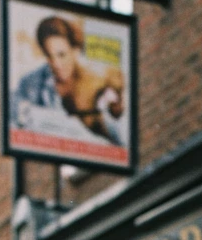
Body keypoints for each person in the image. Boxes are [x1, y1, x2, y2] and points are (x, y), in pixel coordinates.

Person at [12, 14, 125, 145]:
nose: (56, 64)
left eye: (62, 55)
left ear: (75, 51)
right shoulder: (31, 83)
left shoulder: (97, 85)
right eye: (49, 56)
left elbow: (120, 140)